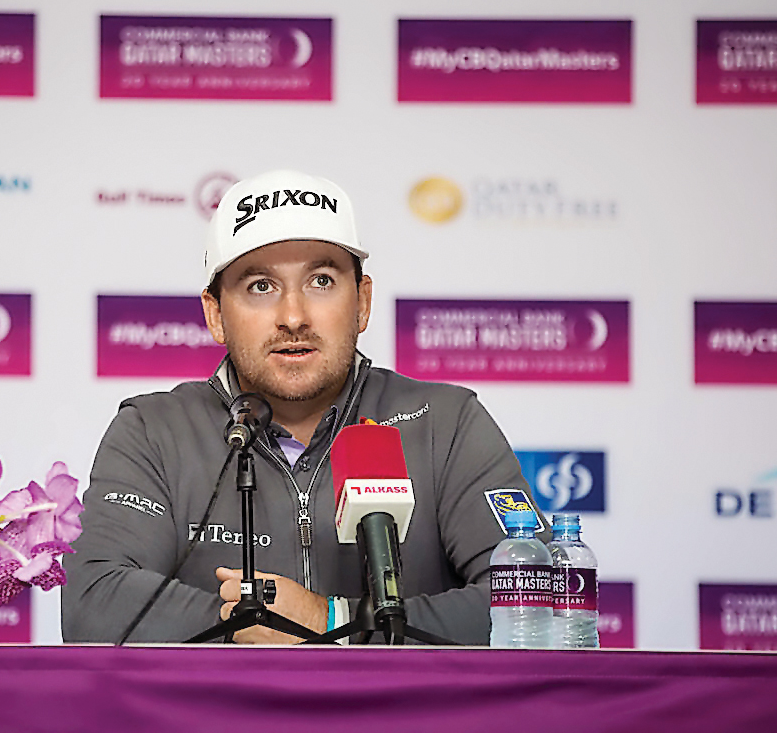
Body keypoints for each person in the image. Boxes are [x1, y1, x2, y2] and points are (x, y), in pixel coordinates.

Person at [61, 169, 546, 645]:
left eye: (321, 281)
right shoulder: (154, 430)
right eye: (260, 286)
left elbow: (539, 599)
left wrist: (330, 620)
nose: (293, 316)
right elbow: (93, 603)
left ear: (362, 301)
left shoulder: (445, 422)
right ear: (215, 314)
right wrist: (248, 624)